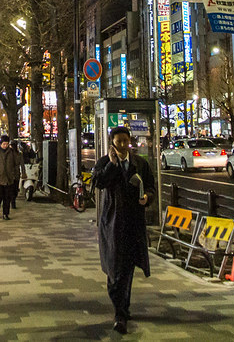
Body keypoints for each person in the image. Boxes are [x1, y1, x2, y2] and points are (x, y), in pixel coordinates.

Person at [93, 126, 156, 335]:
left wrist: (147, 197)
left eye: (125, 141)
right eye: (118, 141)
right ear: (112, 142)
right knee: (114, 270)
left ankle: (123, 309)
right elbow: (98, 182)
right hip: (112, 222)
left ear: (130, 141)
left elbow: (151, 187)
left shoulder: (140, 164)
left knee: (127, 268)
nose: (122, 145)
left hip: (133, 223)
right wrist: (112, 165)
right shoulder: (105, 162)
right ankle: (120, 312)